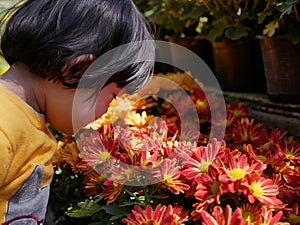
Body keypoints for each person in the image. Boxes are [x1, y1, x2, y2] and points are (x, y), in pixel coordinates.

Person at [0, 0, 154, 224]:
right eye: (111, 98)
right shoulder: (5, 127)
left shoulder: (25, 121)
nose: (106, 112)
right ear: (79, 70)